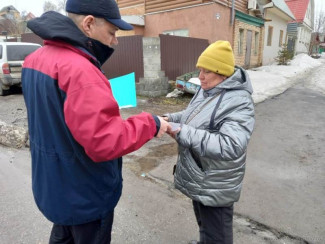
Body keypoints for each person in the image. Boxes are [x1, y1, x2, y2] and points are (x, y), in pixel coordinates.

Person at [21, 0, 170, 243]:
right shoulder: (80, 70)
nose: (115, 40)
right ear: (89, 23)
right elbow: (105, 141)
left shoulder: (35, 60)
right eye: (112, 32)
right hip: (84, 193)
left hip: (55, 186)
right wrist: (150, 123)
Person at [164, 41, 255, 244]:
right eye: (200, 70)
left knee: (218, 235)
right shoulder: (207, 90)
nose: (200, 76)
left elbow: (230, 145)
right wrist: (170, 118)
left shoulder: (239, 101)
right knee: (205, 225)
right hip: (200, 175)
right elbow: (191, 115)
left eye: (207, 71)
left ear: (223, 73)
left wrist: (182, 132)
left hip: (216, 182)